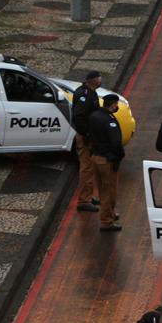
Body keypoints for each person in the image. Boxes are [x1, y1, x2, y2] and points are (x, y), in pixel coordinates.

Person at [89, 94, 125, 232]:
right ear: (114, 104)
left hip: (96, 157)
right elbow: (116, 142)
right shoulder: (110, 120)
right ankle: (106, 221)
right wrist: (119, 155)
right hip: (107, 160)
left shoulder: (94, 116)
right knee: (109, 192)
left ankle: (109, 214)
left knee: (102, 189)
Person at [71, 70, 102, 212]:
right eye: (99, 78)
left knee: (90, 168)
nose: (101, 80)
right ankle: (84, 200)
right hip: (85, 138)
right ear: (94, 80)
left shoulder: (90, 92)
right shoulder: (85, 95)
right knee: (87, 168)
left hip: (89, 136)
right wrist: (87, 135)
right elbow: (79, 117)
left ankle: (88, 195)